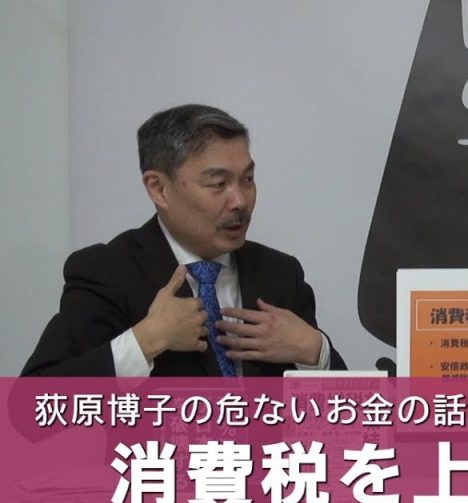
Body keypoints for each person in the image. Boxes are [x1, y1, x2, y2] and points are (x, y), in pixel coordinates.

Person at [22, 104, 346, 377]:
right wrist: (144, 341)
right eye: (218, 184)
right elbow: (31, 407)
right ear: (159, 188)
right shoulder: (107, 272)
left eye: (248, 179)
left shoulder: (280, 274)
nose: (240, 201)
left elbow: (345, 414)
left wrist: (316, 351)